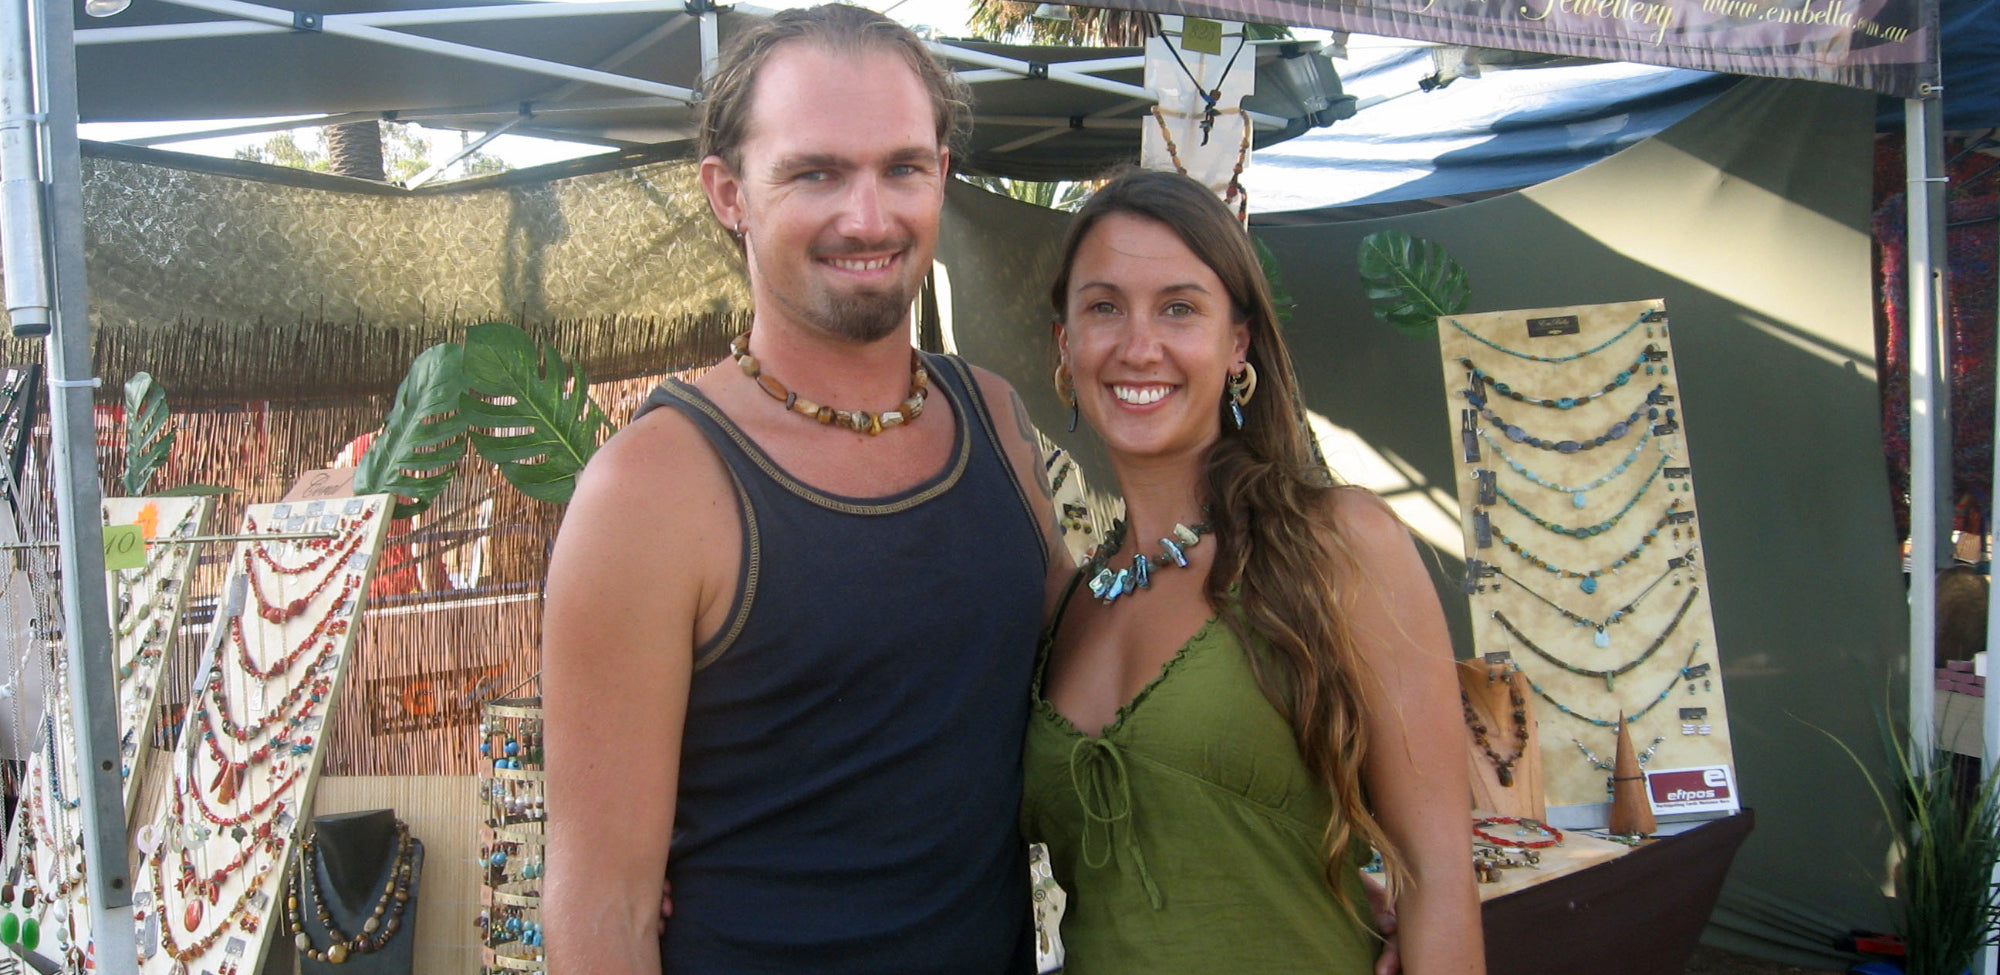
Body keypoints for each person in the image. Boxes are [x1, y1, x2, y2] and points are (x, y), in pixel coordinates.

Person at [539, 6, 1064, 972]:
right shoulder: (652, 489)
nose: (869, 217)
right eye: (816, 172)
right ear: (728, 192)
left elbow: (1101, 694)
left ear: (943, 173)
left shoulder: (994, 421)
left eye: (902, 166)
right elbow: (600, 912)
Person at [1020, 169, 1484, 974]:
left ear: (1237, 342)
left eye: (1179, 307)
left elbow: (1438, 876)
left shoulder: (1338, 543)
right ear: (1065, 343)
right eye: (1103, 306)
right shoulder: (1070, 603)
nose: (1138, 345)